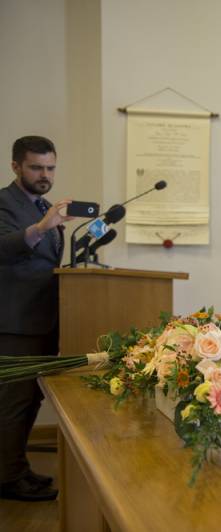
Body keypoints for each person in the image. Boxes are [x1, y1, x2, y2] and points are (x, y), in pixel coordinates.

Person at [0, 136, 73, 501]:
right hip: (15, 322)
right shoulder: (4, 202)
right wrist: (44, 226)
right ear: (16, 166)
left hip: (43, 319)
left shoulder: (44, 206)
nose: (45, 175)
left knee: (30, 400)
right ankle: (7, 479)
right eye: (36, 167)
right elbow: (3, 248)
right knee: (12, 402)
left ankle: (16, 468)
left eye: (50, 168)